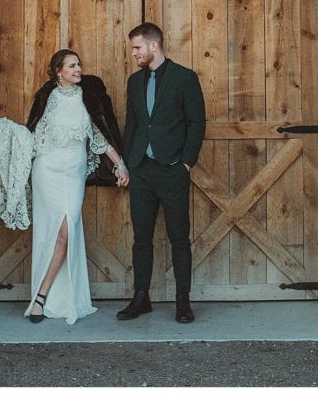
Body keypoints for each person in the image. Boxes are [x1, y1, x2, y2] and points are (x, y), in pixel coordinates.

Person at [23, 49, 128, 324]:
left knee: (65, 232)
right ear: (59, 71)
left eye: (79, 64)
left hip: (73, 172)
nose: (78, 69)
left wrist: (120, 164)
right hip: (46, 170)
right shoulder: (47, 98)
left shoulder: (88, 97)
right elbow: (32, 135)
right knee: (50, 233)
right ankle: (43, 297)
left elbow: (98, 136)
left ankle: (43, 295)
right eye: (72, 66)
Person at [118, 22, 205, 323]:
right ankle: (141, 298)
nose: (134, 53)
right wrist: (127, 164)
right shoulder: (133, 81)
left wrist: (186, 163)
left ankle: (183, 300)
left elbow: (196, 123)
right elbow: (132, 125)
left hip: (172, 171)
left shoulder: (185, 78)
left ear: (153, 45)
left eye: (137, 47)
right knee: (141, 238)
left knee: (179, 237)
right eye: (133, 48)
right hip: (141, 171)